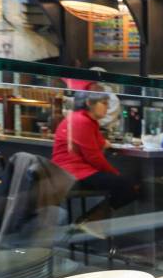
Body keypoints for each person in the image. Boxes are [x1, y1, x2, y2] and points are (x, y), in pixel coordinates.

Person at [52, 91, 137, 234]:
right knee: (127, 187)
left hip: (73, 171)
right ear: (89, 103)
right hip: (72, 174)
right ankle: (90, 221)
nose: (107, 107)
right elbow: (94, 158)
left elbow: (98, 143)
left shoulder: (87, 121)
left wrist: (104, 143)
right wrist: (115, 173)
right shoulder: (82, 121)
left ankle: (90, 221)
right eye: (103, 103)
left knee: (125, 184)